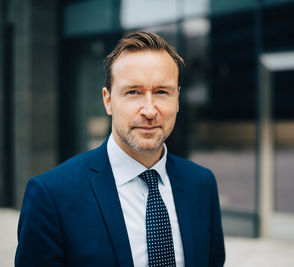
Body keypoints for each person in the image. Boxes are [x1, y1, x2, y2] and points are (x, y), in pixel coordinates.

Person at [15, 32, 225, 267]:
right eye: (133, 92)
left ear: (177, 100)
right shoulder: (51, 196)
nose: (149, 110)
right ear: (108, 101)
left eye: (161, 92)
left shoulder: (202, 184)